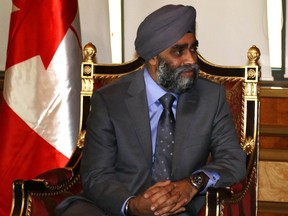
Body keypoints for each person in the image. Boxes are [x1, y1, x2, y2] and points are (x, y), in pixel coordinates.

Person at [55, 4, 246, 216]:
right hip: (117, 206)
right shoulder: (110, 100)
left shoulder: (210, 97)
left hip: (179, 209)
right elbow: (97, 174)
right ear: (153, 58)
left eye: (193, 48)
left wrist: (192, 183)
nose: (191, 59)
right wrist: (132, 204)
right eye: (179, 51)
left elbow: (233, 161)